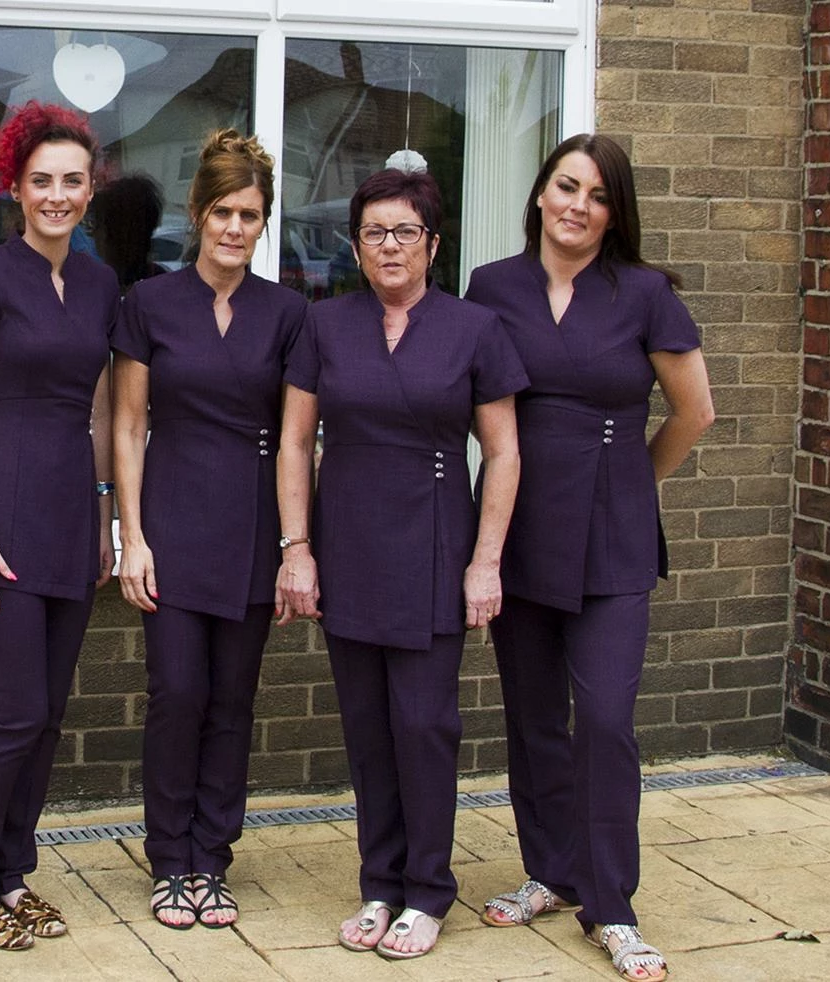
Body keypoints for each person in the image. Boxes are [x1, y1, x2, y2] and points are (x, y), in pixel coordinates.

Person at [463, 134, 714, 982]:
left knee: (604, 722)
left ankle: (612, 906)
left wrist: (633, 483)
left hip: (612, 535)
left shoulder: (643, 293)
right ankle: (551, 872)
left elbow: (694, 411)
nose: (578, 205)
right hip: (521, 528)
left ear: (615, 213)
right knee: (532, 718)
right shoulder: (491, 288)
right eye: (566, 186)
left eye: (598, 195)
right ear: (539, 194)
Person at [275, 167, 527, 960]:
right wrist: (297, 549)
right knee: (366, 729)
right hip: (346, 547)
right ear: (354, 245)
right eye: (375, 232)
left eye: (405, 231)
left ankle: (428, 890)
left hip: (434, 550)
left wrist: (486, 563)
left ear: (433, 245)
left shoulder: (474, 329)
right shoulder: (325, 326)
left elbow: (505, 451)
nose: (390, 245)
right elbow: (292, 443)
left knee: (424, 725)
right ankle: (380, 885)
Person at [0, 102, 119, 952]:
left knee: (48, 716)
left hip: (72, 517)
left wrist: (111, 511)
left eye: (71, 181)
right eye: (40, 180)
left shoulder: (99, 283)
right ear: (14, 185)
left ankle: (12, 872)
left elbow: (105, 404)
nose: (56, 195)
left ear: (90, 188)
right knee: (15, 710)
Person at [111, 131, 305, 931]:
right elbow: (126, 428)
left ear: (264, 223)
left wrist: (298, 547)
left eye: (250, 214)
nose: (235, 227)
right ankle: (169, 860)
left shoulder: (290, 313)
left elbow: (300, 438)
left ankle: (211, 862)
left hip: (253, 526)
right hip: (173, 522)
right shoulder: (148, 304)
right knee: (177, 694)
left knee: (232, 701)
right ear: (197, 215)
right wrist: (133, 536)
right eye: (222, 211)